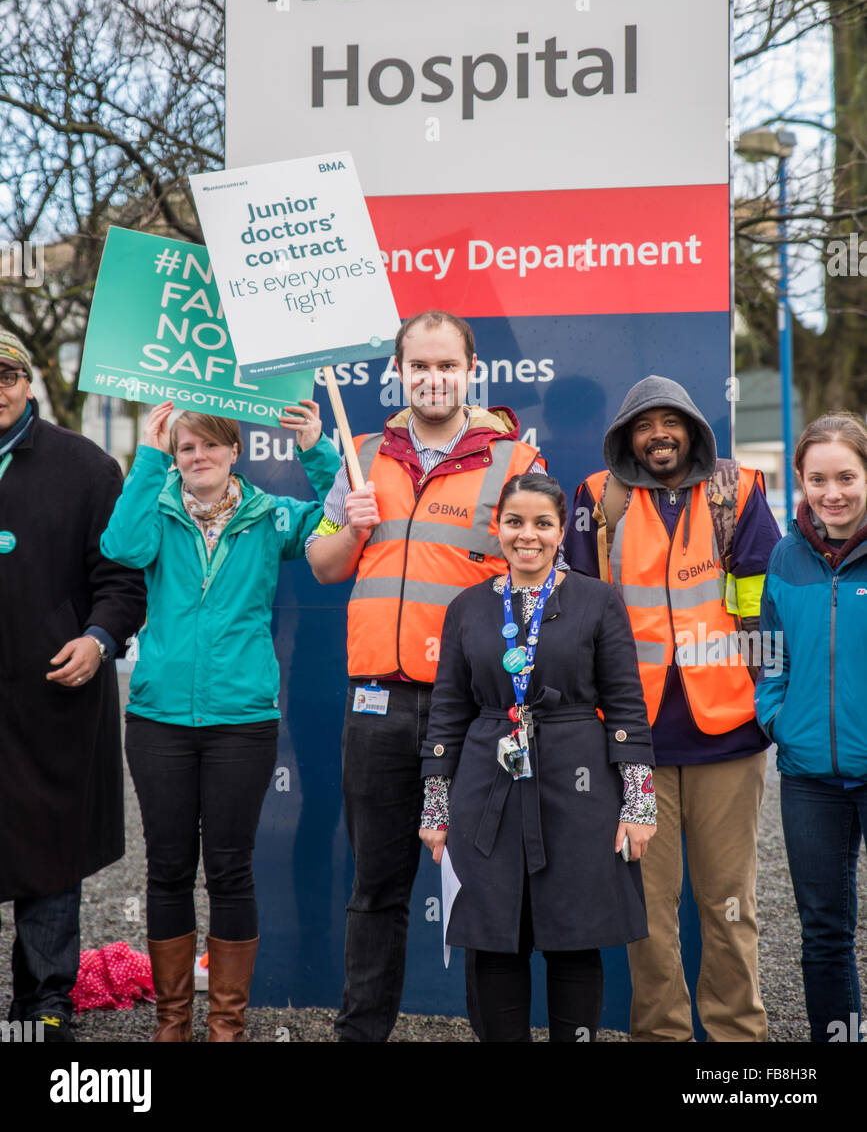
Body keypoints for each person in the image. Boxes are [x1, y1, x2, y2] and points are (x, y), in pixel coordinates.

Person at [307, 309, 546, 1043]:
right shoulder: (362, 453)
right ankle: (360, 1034)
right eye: (418, 366)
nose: (432, 379)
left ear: (471, 370)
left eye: (446, 366)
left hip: (472, 712)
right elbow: (322, 566)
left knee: (484, 889)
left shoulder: (514, 463)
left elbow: (541, 580)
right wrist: (348, 524)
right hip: (377, 703)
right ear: (398, 372)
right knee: (375, 890)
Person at [100, 398, 339, 1042]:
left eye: (209, 445)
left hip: (241, 719)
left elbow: (336, 521)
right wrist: (148, 459)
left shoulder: (272, 516)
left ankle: (226, 1025)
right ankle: (173, 1021)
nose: (197, 456)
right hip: (158, 717)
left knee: (230, 868)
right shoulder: (155, 509)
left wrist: (317, 448)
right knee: (169, 866)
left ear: (234, 451)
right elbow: (118, 546)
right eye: (185, 448)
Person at [565, 375, 781, 1042]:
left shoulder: (737, 491)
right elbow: (575, 613)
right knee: (648, 915)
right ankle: (659, 1037)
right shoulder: (594, 498)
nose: (657, 433)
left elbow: (763, 611)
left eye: (670, 421)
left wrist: (762, 699)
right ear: (626, 437)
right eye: (642, 423)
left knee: (730, 908)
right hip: (633, 742)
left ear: (690, 428)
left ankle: (736, 1044)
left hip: (726, 735)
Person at [418, 473, 655, 1042]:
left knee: (575, 935)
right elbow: (447, 711)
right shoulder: (467, 607)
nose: (529, 535)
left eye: (542, 523)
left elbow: (626, 706)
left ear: (559, 532)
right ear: (497, 528)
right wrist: (435, 806)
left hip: (578, 785)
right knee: (494, 934)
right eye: (515, 522)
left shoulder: (598, 600)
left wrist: (639, 804)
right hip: (485, 783)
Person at [0, 331, 146, 1042]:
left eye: (5, 373)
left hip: (54, 691)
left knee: (49, 848)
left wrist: (98, 641)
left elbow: (121, 582)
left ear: (27, 382)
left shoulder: (88, 467)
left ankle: (43, 1006)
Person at [756, 411, 867, 1043]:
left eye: (847, 477)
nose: (834, 493)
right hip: (808, 778)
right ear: (800, 480)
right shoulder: (785, 555)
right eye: (819, 478)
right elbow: (772, 653)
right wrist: (779, 720)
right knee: (824, 930)